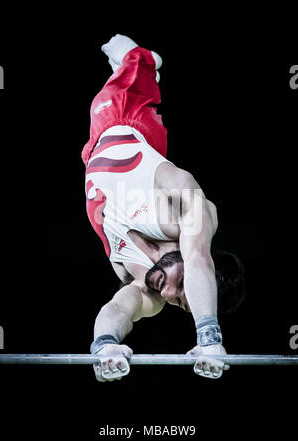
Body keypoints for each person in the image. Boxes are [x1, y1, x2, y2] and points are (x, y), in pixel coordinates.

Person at [82, 35, 246, 382]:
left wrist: (106, 344)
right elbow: (199, 255)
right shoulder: (186, 211)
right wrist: (209, 337)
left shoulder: (147, 288)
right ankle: (138, 60)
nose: (167, 292)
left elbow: (118, 309)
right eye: (183, 282)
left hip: (93, 156)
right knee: (128, 73)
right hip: (126, 119)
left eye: (178, 303)